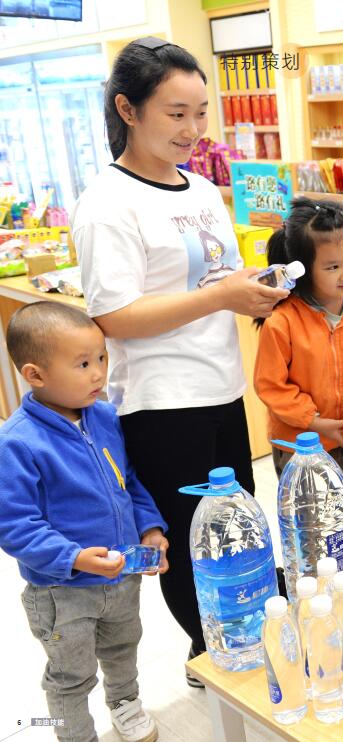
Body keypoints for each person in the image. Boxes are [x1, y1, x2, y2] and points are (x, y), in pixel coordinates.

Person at [71, 38, 289, 686]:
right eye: (176, 114)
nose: (193, 130)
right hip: (163, 401)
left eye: (200, 113)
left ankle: (243, 637)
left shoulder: (201, 189)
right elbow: (114, 316)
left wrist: (254, 287)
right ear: (128, 110)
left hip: (221, 386)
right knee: (194, 540)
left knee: (238, 525)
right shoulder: (107, 203)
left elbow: (218, 276)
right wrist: (219, 296)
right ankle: (210, 655)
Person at [0, 302, 169, 742]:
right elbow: (15, 525)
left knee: (122, 650)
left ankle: (125, 704)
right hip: (62, 592)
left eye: (101, 358)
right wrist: (73, 557)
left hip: (121, 576)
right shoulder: (17, 443)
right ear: (35, 375)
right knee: (70, 675)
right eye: (83, 364)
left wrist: (150, 529)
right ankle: (74, 734)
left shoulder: (106, 417)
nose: (98, 374)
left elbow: (128, 480)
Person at [253, 197, 343, 564]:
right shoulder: (283, 320)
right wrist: (315, 422)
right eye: (332, 266)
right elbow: (271, 386)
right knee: (313, 533)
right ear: (302, 269)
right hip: (300, 445)